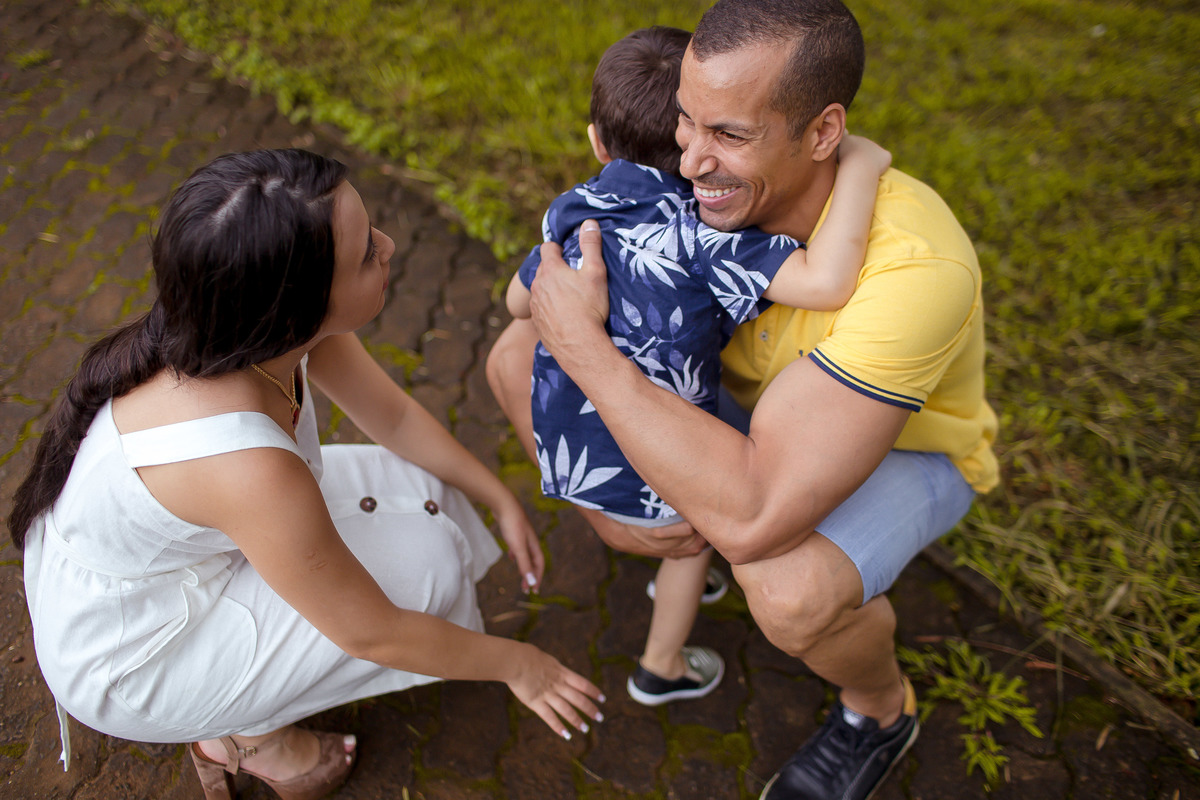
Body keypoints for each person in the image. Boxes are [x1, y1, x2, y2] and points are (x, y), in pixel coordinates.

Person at [486, 0, 999, 798]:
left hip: (906, 450)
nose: (691, 161)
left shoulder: (914, 268)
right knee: (514, 354)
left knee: (787, 589)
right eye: (685, 121)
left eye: (729, 134)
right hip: (751, 416)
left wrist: (589, 354)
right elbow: (522, 331)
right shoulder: (694, 200)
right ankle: (681, 542)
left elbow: (756, 514)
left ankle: (878, 711)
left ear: (823, 133)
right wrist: (602, 511)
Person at [10, 149, 604, 800]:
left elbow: (394, 418)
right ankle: (243, 738)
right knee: (425, 569)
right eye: (365, 254)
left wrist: (494, 495)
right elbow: (372, 630)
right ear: (294, 305)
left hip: (175, 562)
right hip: (134, 651)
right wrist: (521, 667)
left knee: (425, 492)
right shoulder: (246, 466)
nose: (390, 245)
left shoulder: (256, 332)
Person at [504, 25, 890, 708]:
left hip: (571, 446)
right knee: (691, 543)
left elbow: (516, 302)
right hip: (655, 458)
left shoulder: (573, 209)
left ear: (597, 141)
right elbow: (828, 281)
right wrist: (859, 162)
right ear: (687, 143)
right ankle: (662, 664)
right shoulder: (704, 234)